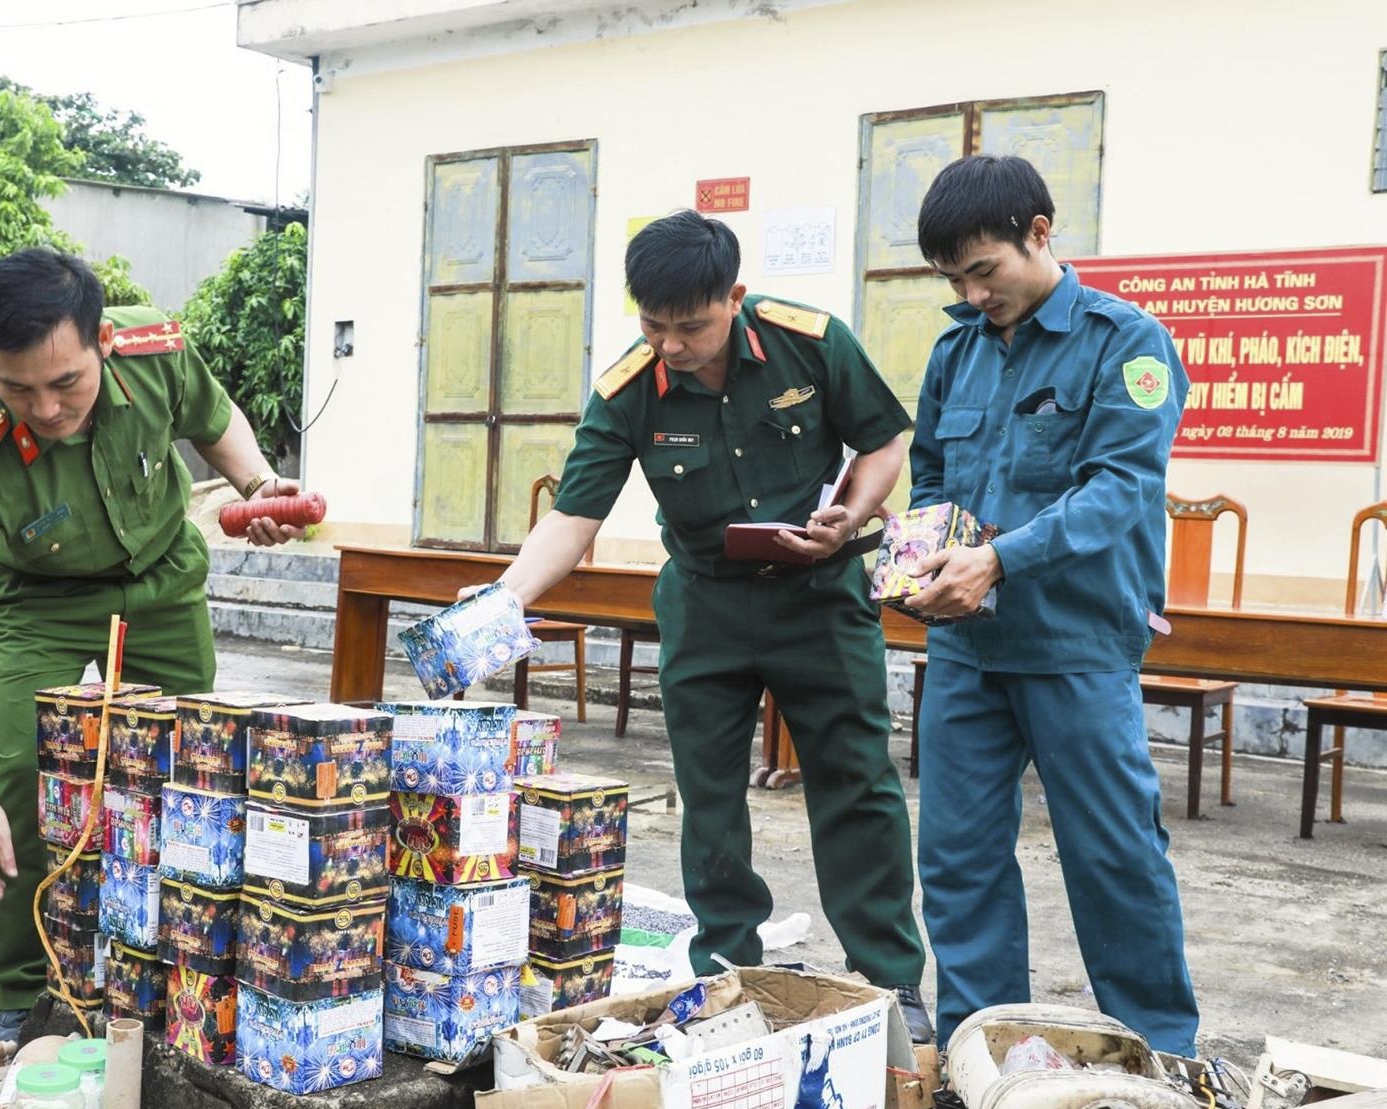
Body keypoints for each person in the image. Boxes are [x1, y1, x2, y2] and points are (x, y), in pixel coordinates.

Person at [486, 211, 932, 1040]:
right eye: (653, 326)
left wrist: (852, 511)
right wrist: (501, 600)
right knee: (710, 795)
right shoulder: (629, 388)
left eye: (689, 326)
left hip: (820, 594)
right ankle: (724, 971)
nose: (671, 345)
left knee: (856, 782)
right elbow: (574, 518)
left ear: (733, 296)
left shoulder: (812, 342)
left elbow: (883, 439)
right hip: (706, 604)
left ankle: (890, 979)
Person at [0, 247, 301, 1042]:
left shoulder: (156, 350)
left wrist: (260, 486)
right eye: (17, 388)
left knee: (197, 764)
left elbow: (218, 425)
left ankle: (179, 960)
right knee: (20, 771)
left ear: (102, 344)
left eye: (66, 384)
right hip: (36, 605)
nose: (46, 409)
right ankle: (21, 985)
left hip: (160, 584)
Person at [905, 154, 1197, 1055]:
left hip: (1076, 643)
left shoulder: (1126, 343)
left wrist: (997, 559)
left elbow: (1119, 490)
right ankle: (982, 1049)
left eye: (983, 269)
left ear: (1040, 233)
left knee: (1112, 856)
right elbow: (930, 476)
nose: (971, 291)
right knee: (957, 859)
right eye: (953, 277)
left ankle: (1161, 1053)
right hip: (967, 649)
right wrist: (919, 560)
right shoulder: (956, 351)